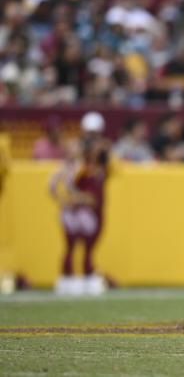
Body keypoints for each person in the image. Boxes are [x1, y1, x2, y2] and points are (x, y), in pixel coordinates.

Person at [50, 112, 110, 295]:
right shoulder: (78, 166)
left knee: (82, 246)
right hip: (81, 211)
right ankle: (75, 276)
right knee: (76, 245)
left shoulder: (92, 164)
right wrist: (73, 199)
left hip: (82, 209)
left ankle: (75, 275)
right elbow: (56, 186)